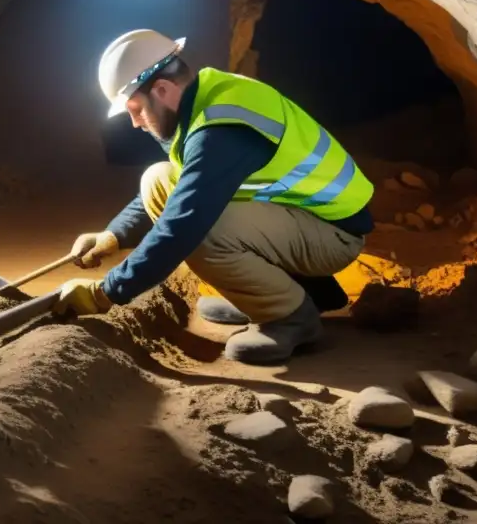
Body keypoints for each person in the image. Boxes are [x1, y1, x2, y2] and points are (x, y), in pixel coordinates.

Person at [54, 29, 374, 364]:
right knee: (158, 179)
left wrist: (106, 292)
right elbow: (182, 189)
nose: (134, 123)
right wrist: (114, 235)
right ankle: (266, 294)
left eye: (135, 108)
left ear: (162, 90)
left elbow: (183, 223)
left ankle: (290, 316)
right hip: (300, 218)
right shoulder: (205, 99)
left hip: (334, 235)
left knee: (203, 229)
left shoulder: (221, 130)